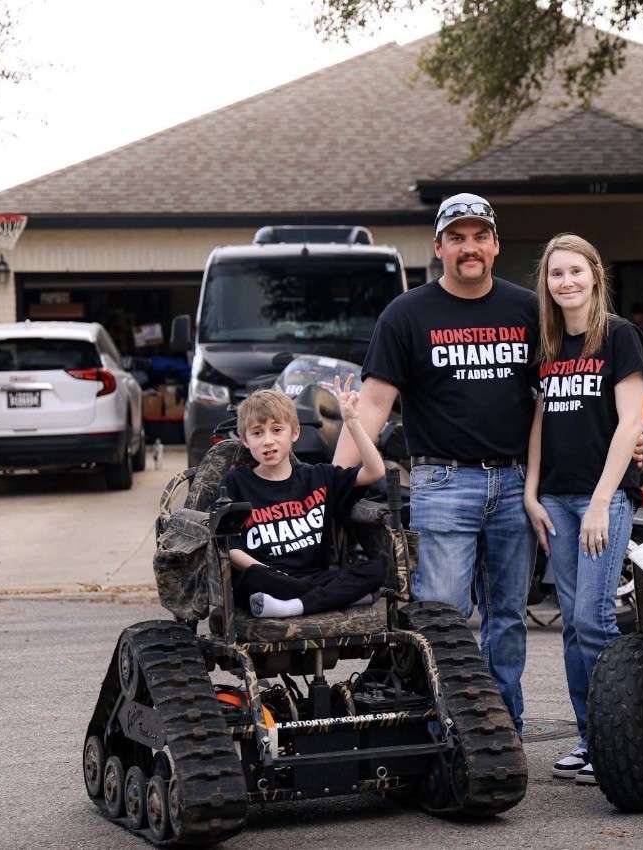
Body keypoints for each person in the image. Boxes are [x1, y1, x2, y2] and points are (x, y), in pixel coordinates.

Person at [333, 193, 537, 730]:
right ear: (439, 247)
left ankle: (503, 729)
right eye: (457, 238)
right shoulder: (407, 314)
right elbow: (373, 404)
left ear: (495, 245)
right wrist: (332, 485)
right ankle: (446, 732)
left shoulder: (528, 310)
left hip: (516, 482)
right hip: (443, 483)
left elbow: (560, 394)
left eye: (479, 237)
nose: (469, 248)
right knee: (442, 617)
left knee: (508, 617)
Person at [524, 234, 643, 786]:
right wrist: (531, 493)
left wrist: (600, 501)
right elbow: (539, 420)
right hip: (555, 499)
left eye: (576, 271)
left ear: (595, 274)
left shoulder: (618, 336)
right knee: (573, 625)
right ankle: (588, 737)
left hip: (603, 500)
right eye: (556, 273)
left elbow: (631, 423)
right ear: (546, 283)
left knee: (595, 620)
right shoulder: (547, 343)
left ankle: (620, 740)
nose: (566, 281)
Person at [222, 381, 387, 618]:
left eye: (276, 430)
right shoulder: (236, 482)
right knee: (252, 577)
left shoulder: (318, 476)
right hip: (267, 578)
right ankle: (339, 597)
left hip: (314, 576)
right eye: (257, 433)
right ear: (245, 440)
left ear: (295, 433)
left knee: (377, 569)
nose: (267, 441)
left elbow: (375, 471)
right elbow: (230, 546)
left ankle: (292, 607)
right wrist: (271, 574)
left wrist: (352, 422)